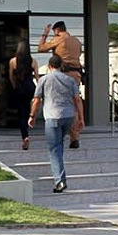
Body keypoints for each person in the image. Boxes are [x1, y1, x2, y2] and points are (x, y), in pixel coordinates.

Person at [29, 54, 84, 193]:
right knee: (59, 145)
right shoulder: (70, 80)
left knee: (54, 149)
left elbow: (36, 100)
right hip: (68, 117)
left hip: (52, 117)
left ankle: (60, 181)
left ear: (49, 66)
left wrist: (32, 116)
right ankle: (60, 175)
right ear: (61, 66)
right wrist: (81, 118)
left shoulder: (44, 80)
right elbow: (77, 100)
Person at [37, 21, 84, 149]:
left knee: (57, 103)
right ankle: (75, 137)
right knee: (74, 105)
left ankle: (58, 134)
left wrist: (45, 34)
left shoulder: (58, 39)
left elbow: (41, 48)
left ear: (57, 31)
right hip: (76, 75)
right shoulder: (77, 41)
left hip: (62, 75)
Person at [9, 39, 39, 150]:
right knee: (27, 109)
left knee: (21, 112)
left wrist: (15, 86)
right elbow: (37, 77)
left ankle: (25, 136)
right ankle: (27, 124)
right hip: (30, 87)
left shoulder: (13, 61)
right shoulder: (33, 61)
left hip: (19, 88)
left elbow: (11, 76)